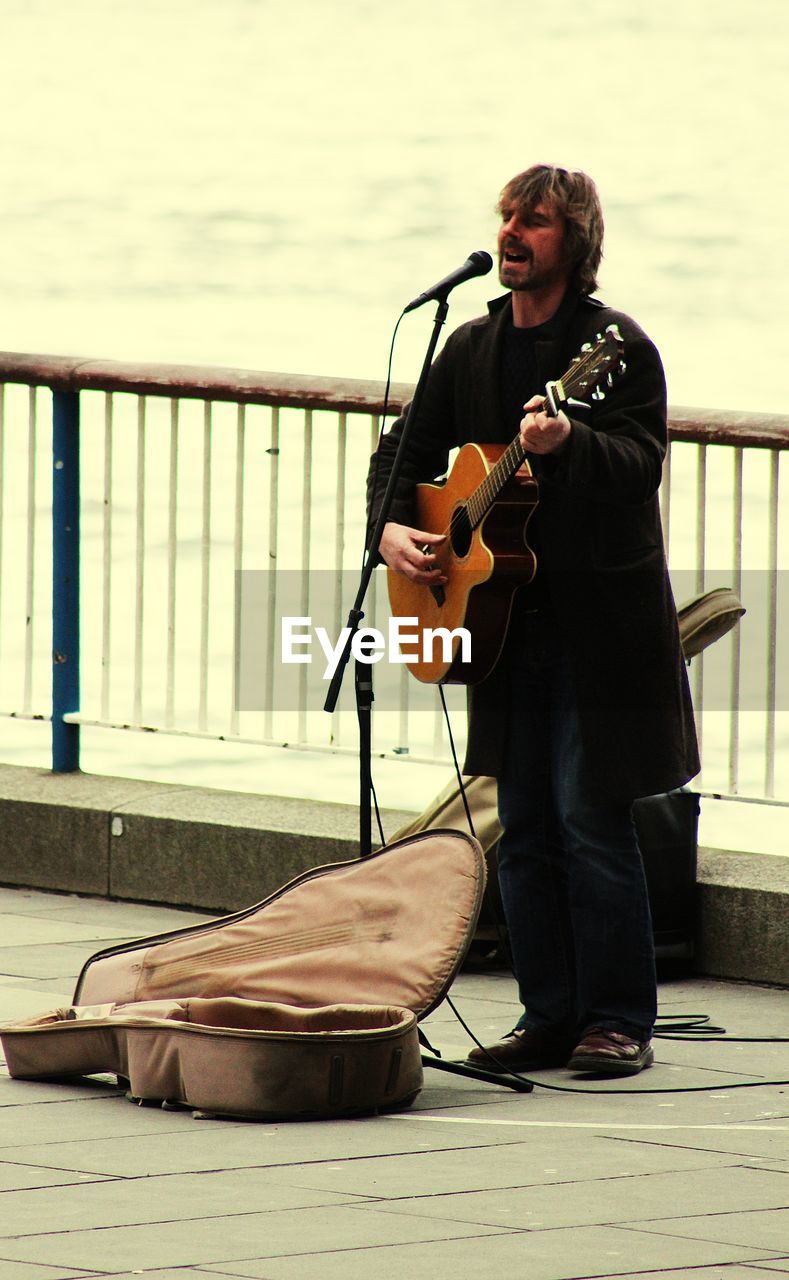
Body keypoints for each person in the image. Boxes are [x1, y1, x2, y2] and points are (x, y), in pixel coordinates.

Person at [367, 164, 699, 1076]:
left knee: (591, 822)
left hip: (599, 631)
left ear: (576, 240)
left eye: (536, 221)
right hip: (500, 627)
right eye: (506, 218)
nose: (513, 233)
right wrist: (393, 529)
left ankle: (617, 1020)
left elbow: (639, 463)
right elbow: (403, 449)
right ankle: (547, 1014)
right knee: (524, 829)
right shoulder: (471, 346)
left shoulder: (613, 349)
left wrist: (569, 442)